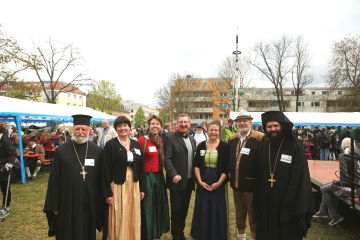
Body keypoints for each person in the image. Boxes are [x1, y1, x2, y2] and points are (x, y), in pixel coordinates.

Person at [253, 111, 315, 240]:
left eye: (276, 125)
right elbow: (258, 175)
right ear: (265, 128)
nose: (273, 129)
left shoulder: (293, 147)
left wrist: (290, 200)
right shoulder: (263, 148)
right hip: (267, 199)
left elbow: (299, 176)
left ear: (282, 126)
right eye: (269, 127)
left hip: (287, 199)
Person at [43, 114, 102, 240]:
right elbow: (54, 179)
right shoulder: (62, 150)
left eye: (83, 129)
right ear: (73, 130)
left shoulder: (96, 151)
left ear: (89, 130)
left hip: (89, 202)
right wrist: (54, 204)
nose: (80, 132)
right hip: (67, 201)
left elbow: (100, 179)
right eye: (77, 129)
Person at [101, 115, 146, 240]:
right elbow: (104, 170)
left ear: (129, 127)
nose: (122, 128)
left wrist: (142, 188)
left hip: (134, 184)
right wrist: (107, 193)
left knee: (133, 213)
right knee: (119, 214)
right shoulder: (110, 145)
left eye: (125, 125)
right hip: (117, 185)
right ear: (116, 128)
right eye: (119, 126)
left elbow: (141, 168)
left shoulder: (136, 145)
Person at [228, 110, 266, 240]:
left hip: (252, 185)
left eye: (245, 120)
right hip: (236, 184)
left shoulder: (260, 138)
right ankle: (241, 238)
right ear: (236, 123)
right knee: (239, 215)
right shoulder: (231, 139)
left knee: (253, 216)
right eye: (239, 121)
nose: (242, 123)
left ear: (250, 122)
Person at [190, 121, 230, 240]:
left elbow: (226, 167)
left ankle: (216, 235)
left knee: (217, 207)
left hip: (217, 180)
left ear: (219, 131)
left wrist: (219, 183)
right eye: (211, 130)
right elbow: (196, 164)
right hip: (203, 180)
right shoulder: (201, 145)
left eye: (216, 130)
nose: (213, 132)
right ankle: (202, 234)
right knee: (203, 207)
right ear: (206, 130)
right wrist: (200, 181)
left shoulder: (225, 147)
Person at [137, 115, 170, 240]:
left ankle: (156, 230)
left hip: (159, 175)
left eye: (157, 124)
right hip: (147, 176)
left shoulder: (161, 140)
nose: (155, 126)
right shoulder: (142, 140)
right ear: (149, 125)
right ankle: (146, 232)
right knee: (148, 205)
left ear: (161, 126)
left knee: (158, 203)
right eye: (153, 124)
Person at [313, 137, 360, 226]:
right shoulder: (358, 154)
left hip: (353, 187)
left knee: (324, 189)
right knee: (324, 186)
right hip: (357, 185)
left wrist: (338, 182)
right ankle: (322, 211)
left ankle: (335, 216)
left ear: (343, 145)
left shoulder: (344, 156)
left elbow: (344, 178)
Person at [164, 113, 196, 240]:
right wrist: (173, 174)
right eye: (181, 122)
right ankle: (176, 235)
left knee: (184, 209)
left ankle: (181, 233)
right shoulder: (170, 138)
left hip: (189, 180)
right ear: (177, 124)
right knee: (176, 210)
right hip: (176, 181)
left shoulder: (192, 139)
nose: (183, 124)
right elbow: (167, 159)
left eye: (185, 122)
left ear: (189, 124)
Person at [0, 122, 18, 218]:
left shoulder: (6, 140)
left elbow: (12, 155)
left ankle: (6, 206)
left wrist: (5, 167)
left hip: (3, 169)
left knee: (5, 188)